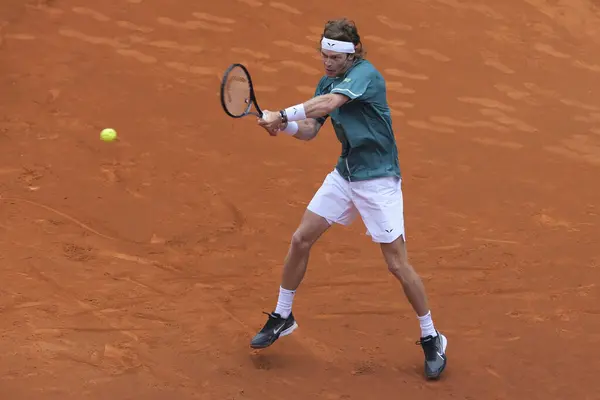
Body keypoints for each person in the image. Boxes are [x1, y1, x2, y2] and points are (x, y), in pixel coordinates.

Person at [250, 18, 448, 380]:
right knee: (300, 239)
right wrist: (286, 126)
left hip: (379, 181)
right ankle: (283, 314)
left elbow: (330, 102)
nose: (326, 63)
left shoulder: (365, 76)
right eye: (323, 56)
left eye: (333, 58)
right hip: (345, 175)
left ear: (352, 53)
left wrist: (282, 113)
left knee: (397, 265)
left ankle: (431, 335)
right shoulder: (327, 80)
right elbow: (311, 128)